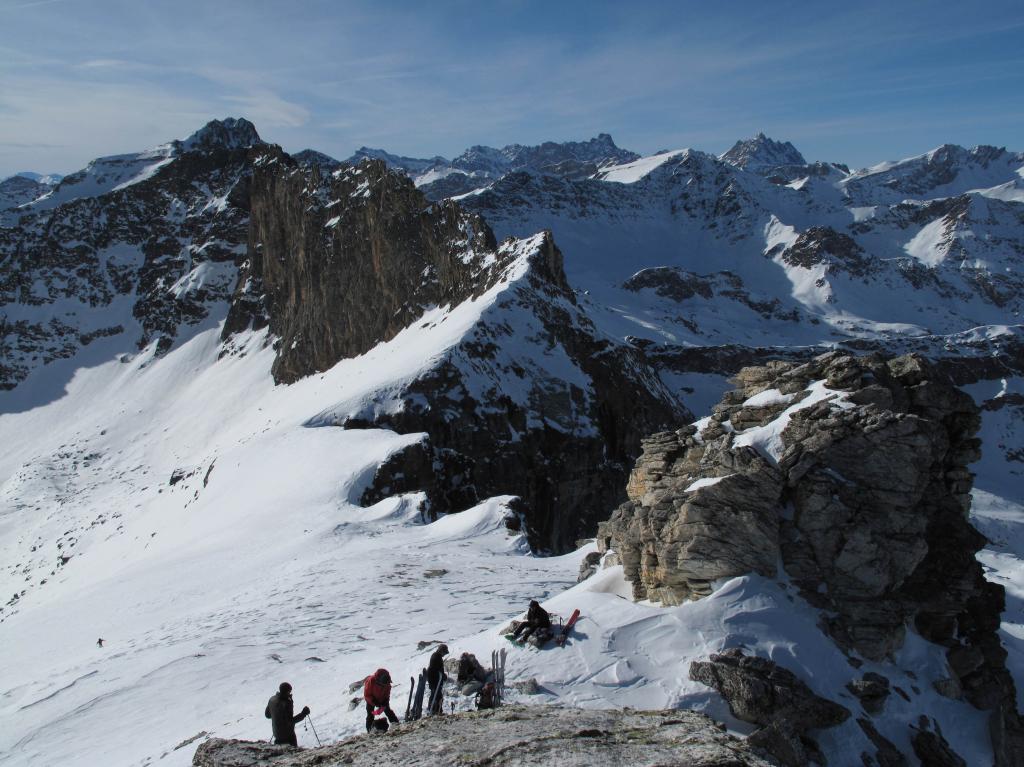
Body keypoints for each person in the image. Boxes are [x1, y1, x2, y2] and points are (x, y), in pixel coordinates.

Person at [264, 682, 310, 747]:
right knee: (292, 751)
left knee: (280, 752)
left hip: (277, 734)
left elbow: (267, 715)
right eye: (289, 691)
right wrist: (303, 713)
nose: (290, 693)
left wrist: (277, 715)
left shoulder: (272, 699)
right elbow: (290, 721)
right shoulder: (286, 703)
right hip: (288, 736)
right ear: (287, 691)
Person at [363, 668, 399, 732]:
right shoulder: (370, 681)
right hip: (371, 699)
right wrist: (374, 702)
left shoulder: (387, 683)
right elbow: (367, 695)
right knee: (370, 714)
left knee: (388, 710)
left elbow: (387, 694)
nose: (384, 685)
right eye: (382, 684)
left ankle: (396, 725)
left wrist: (385, 701)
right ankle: (370, 731)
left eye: (385, 684)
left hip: (382, 698)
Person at [426, 643, 448, 714]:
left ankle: (434, 710)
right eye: (444, 653)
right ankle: (435, 711)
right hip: (434, 681)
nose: (444, 654)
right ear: (441, 651)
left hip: (434, 680)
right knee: (437, 696)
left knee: (435, 695)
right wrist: (443, 676)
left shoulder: (436, 656)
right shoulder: (436, 657)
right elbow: (436, 670)